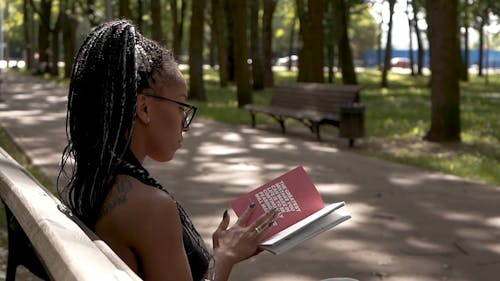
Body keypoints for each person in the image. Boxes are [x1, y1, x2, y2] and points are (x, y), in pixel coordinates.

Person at [58, 19, 277, 281]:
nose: (185, 126)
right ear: (145, 108)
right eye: (180, 107)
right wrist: (226, 256)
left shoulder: (100, 181)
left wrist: (222, 251)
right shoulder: (151, 207)